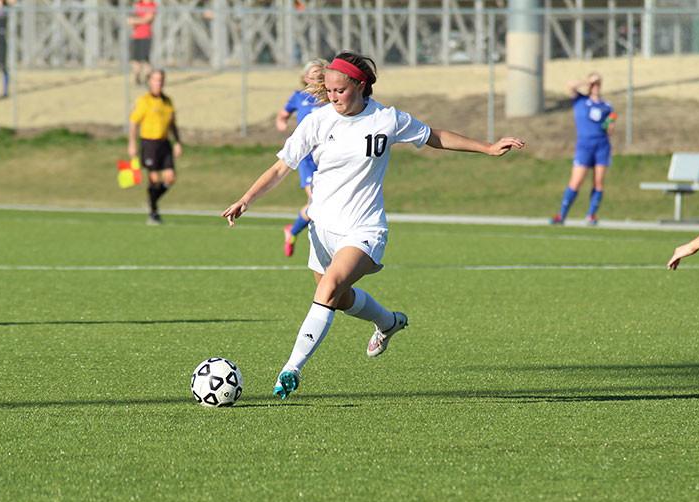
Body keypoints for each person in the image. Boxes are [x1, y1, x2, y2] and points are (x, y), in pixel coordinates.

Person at [221, 52, 525, 399]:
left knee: (329, 287)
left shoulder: (386, 119)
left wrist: (487, 147)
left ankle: (292, 368)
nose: (333, 96)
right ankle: (388, 322)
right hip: (323, 229)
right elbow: (280, 168)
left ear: (360, 86)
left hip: (364, 229)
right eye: (329, 90)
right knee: (338, 298)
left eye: (340, 90)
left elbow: (433, 136)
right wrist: (246, 199)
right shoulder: (318, 121)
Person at [275, 58, 327, 257]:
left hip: (327, 155)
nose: (317, 80)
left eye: (321, 77)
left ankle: (293, 230)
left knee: (321, 202)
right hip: (306, 156)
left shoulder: (331, 98)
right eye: (314, 77)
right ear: (305, 78)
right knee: (316, 200)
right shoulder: (298, 96)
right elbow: (282, 115)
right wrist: (282, 124)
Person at [551, 72, 616, 226]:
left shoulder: (606, 106)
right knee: (576, 181)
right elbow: (569, 86)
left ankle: (591, 215)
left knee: (598, 182)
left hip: (602, 145)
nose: (595, 86)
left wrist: (610, 125)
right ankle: (562, 215)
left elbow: (610, 128)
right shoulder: (580, 100)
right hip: (584, 145)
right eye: (593, 84)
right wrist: (587, 81)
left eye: (598, 83)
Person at [128, 69, 182, 225]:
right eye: (156, 80)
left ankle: (151, 203)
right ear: (149, 82)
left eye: (161, 80)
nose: (159, 83)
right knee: (154, 179)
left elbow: (172, 124)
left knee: (170, 178)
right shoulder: (144, 101)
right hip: (149, 143)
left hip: (164, 143)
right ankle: (153, 212)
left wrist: (178, 142)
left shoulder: (168, 101)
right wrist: (132, 143)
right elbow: (133, 123)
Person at [127, 0, 156, 85]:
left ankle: (148, 79)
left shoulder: (152, 5)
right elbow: (131, 18)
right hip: (135, 36)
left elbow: (148, 18)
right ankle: (137, 79)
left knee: (145, 59)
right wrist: (135, 20)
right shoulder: (138, 4)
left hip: (146, 36)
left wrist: (135, 21)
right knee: (135, 59)